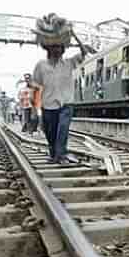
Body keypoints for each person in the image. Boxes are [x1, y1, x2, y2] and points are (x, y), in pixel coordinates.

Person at [31, 27, 90, 164]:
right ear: (49, 49)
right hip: (48, 105)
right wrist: (34, 108)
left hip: (66, 104)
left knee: (62, 131)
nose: (57, 50)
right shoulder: (41, 66)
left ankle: (61, 155)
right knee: (50, 134)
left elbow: (84, 52)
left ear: (63, 49)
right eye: (55, 47)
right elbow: (35, 87)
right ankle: (54, 155)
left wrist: (74, 34)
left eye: (60, 47)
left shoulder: (69, 63)